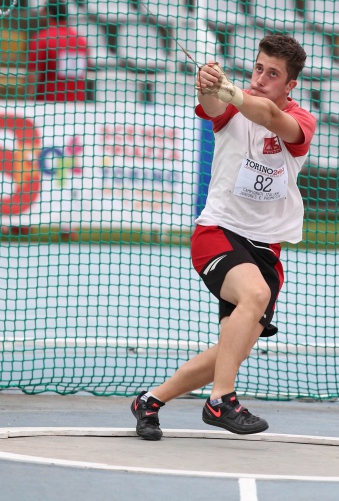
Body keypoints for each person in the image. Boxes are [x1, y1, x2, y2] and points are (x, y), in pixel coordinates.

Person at [131, 34, 317, 440]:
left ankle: (150, 401)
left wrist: (231, 90)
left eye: (273, 74)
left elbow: (269, 116)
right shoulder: (230, 109)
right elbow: (214, 104)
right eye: (258, 68)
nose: (261, 78)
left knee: (233, 349)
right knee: (254, 295)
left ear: (291, 85)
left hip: (265, 250)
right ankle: (221, 401)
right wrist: (209, 85)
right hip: (218, 231)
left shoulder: (301, 121)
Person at [26, 0, 90, 102]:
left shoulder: (42, 39)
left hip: (48, 102)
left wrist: (28, 100)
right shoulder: (82, 41)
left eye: (43, 11)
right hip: (76, 103)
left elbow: (33, 74)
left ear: (49, 12)